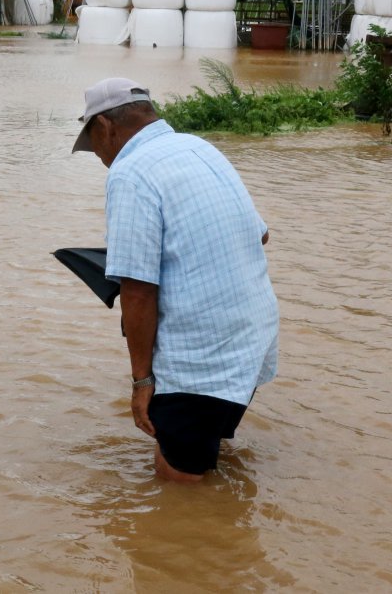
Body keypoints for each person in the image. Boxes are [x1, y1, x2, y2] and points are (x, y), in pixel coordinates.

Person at [73, 77, 279, 482]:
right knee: (207, 455)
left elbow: (138, 291)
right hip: (253, 340)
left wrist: (142, 383)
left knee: (179, 489)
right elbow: (261, 234)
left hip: (200, 357)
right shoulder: (199, 148)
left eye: (93, 144)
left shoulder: (130, 173)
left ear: (104, 127)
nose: (99, 157)